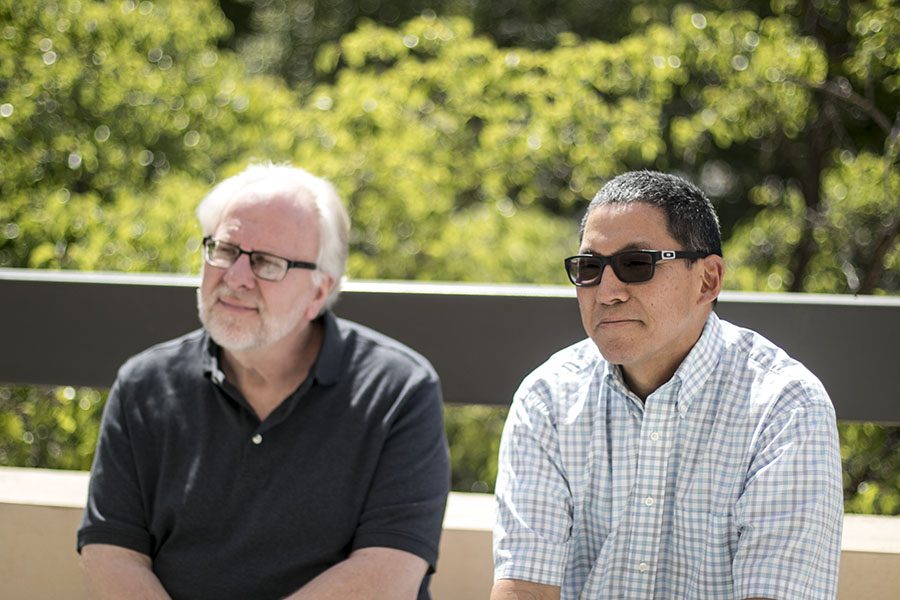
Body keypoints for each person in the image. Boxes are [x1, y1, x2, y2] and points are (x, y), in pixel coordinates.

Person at [77, 163, 450, 600]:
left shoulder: (398, 390)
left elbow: (388, 572)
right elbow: (112, 552)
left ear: (318, 291)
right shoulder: (143, 384)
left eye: (267, 263)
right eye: (224, 249)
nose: (235, 277)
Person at [491, 171, 843, 600]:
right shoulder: (547, 399)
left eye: (636, 264)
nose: (607, 291)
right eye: (589, 268)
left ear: (708, 280)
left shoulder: (784, 407)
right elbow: (524, 590)